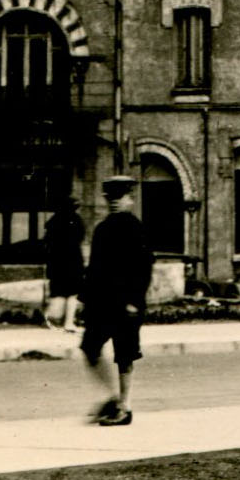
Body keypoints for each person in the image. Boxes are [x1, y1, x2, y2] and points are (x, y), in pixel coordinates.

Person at [80, 176, 151, 426]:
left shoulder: (135, 228)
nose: (114, 203)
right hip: (102, 303)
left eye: (119, 198)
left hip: (126, 304)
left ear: (130, 199)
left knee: (125, 355)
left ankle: (125, 407)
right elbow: (94, 268)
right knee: (89, 348)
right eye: (110, 198)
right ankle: (113, 398)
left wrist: (134, 301)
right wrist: (84, 300)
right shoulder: (102, 229)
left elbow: (143, 269)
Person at [41, 195, 85, 332]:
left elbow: (47, 242)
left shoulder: (54, 221)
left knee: (58, 292)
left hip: (57, 263)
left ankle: (52, 320)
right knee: (72, 294)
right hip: (72, 262)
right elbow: (80, 238)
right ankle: (68, 322)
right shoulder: (76, 220)